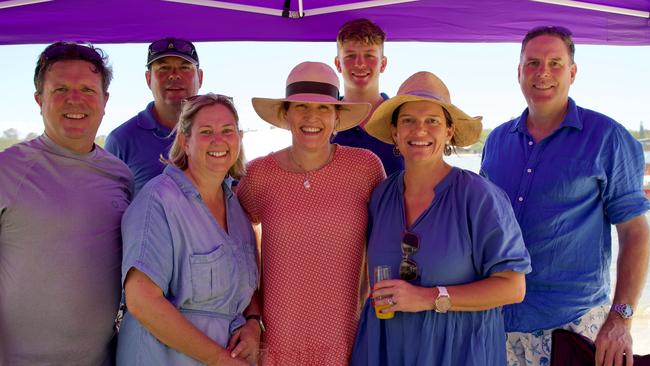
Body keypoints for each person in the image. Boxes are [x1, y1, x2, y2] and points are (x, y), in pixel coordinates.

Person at [480, 25, 650, 366]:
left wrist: (621, 318)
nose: (543, 72)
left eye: (555, 63)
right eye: (532, 63)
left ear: (572, 72)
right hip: (497, 325)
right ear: (518, 72)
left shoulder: (608, 138)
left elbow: (634, 233)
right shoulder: (496, 142)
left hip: (573, 326)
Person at [350, 71, 531, 365]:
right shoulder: (381, 195)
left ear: (448, 131)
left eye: (432, 121)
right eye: (408, 120)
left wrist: (428, 297)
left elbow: (513, 287)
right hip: (387, 350)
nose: (419, 130)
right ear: (395, 132)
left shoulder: (479, 196)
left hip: (459, 353)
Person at [237, 61, 386, 365]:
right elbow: (238, 248)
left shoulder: (366, 168)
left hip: (347, 337)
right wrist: (252, 314)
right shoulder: (257, 175)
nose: (311, 117)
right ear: (285, 115)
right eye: (301, 106)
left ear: (336, 118)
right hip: (277, 339)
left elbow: (385, 240)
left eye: (323, 109)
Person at [0, 42, 133, 365]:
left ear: (105, 101)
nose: (75, 99)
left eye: (87, 89)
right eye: (60, 88)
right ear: (39, 100)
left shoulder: (120, 175)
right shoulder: (7, 169)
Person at [117, 93, 261, 365]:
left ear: (239, 138)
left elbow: (248, 289)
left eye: (227, 131)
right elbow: (141, 300)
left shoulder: (236, 208)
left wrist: (253, 324)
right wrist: (219, 359)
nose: (218, 140)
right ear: (185, 141)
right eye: (206, 131)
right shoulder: (158, 201)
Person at [105, 37, 203, 194]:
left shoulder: (220, 134)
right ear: (148, 78)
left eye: (185, 68)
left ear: (200, 77)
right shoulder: (121, 141)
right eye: (163, 68)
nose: (174, 75)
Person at [333, 18, 404, 176]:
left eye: (369, 56)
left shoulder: (401, 117)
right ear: (338, 64)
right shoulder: (325, 118)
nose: (360, 64)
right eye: (350, 56)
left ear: (383, 64)